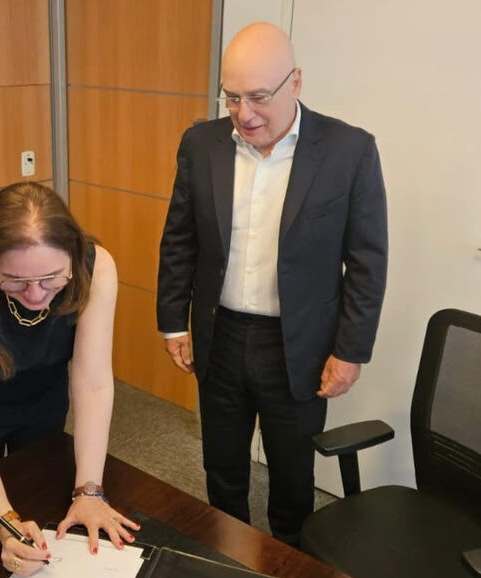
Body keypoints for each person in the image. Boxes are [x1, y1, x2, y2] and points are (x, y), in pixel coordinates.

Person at [157, 22, 388, 544]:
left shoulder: (349, 151)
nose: (245, 114)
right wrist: (174, 322)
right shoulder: (202, 143)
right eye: (232, 97)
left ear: (296, 82)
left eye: (259, 97)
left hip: (299, 345)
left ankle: (290, 558)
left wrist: (350, 350)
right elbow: (180, 239)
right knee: (222, 463)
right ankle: (228, 550)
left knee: (291, 474)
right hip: (220, 334)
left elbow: (367, 262)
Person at [0, 182, 139, 577]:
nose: (34, 295)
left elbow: (93, 382)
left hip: (45, 393)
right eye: (15, 281)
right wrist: (5, 528)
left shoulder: (96, 268)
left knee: (44, 494)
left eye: (50, 279)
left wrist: (91, 491)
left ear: (72, 259)